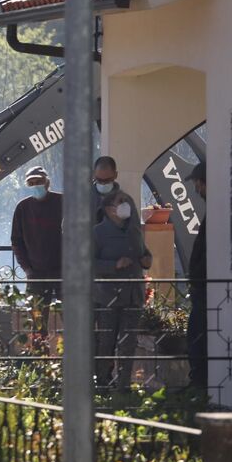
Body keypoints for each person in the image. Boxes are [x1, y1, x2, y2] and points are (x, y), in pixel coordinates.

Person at [94, 190, 152, 389]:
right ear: (109, 209)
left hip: (133, 295)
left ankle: (124, 385)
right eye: (120, 202)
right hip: (108, 296)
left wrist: (147, 260)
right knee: (106, 341)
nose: (125, 205)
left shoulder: (134, 230)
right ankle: (102, 381)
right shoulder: (98, 233)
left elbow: (145, 253)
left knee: (128, 343)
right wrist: (113, 265)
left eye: (126, 201)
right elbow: (88, 263)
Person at [10, 165, 63, 336]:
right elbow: (16, 241)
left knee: (72, 317)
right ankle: (40, 357)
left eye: (38, 182)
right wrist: (27, 268)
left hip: (63, 271)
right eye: (31, 183)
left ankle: (75, 358)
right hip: (36, 273)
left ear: (47, 182)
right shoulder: (23, 208)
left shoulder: (63, 202)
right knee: (37, 321)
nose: (36, 186)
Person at [186, 161, 207, 390]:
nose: (196, 190)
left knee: (198, 337)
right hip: (203, 288)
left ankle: (200, 384)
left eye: (197, 185)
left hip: (207, 290)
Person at [92, 156, 137, 224]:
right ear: (94, 175)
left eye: (107, 180)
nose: (103, 184)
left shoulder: (125, 201)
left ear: (115, 175)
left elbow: (134, 231)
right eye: (99, 180)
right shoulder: (84, 200)